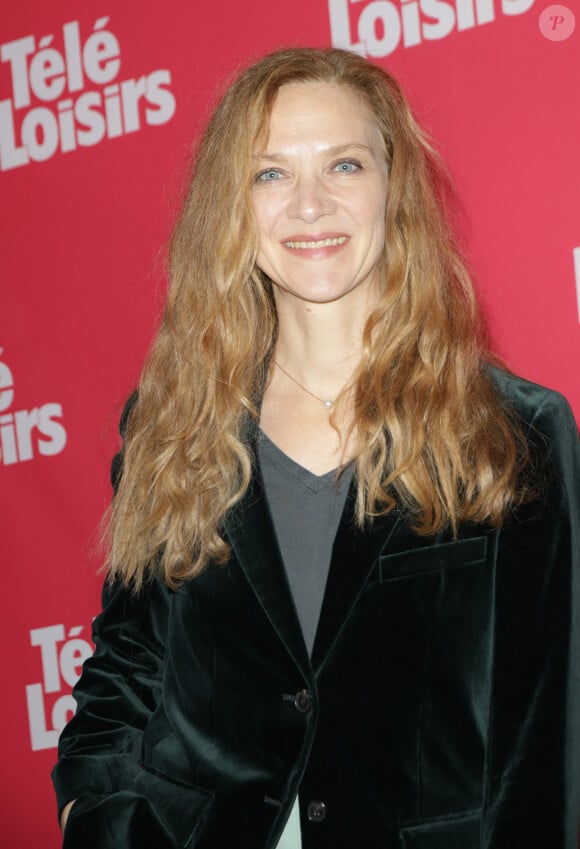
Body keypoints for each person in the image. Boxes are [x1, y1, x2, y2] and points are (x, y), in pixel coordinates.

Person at [52, 47, 580, 849]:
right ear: (231, 207)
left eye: (343, 164)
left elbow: (547, 732)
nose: (309, 204)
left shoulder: (512, 433)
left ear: (392, 187)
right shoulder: (173, 425)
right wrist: (91, 812)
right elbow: (129, 662)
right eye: (270, 174)